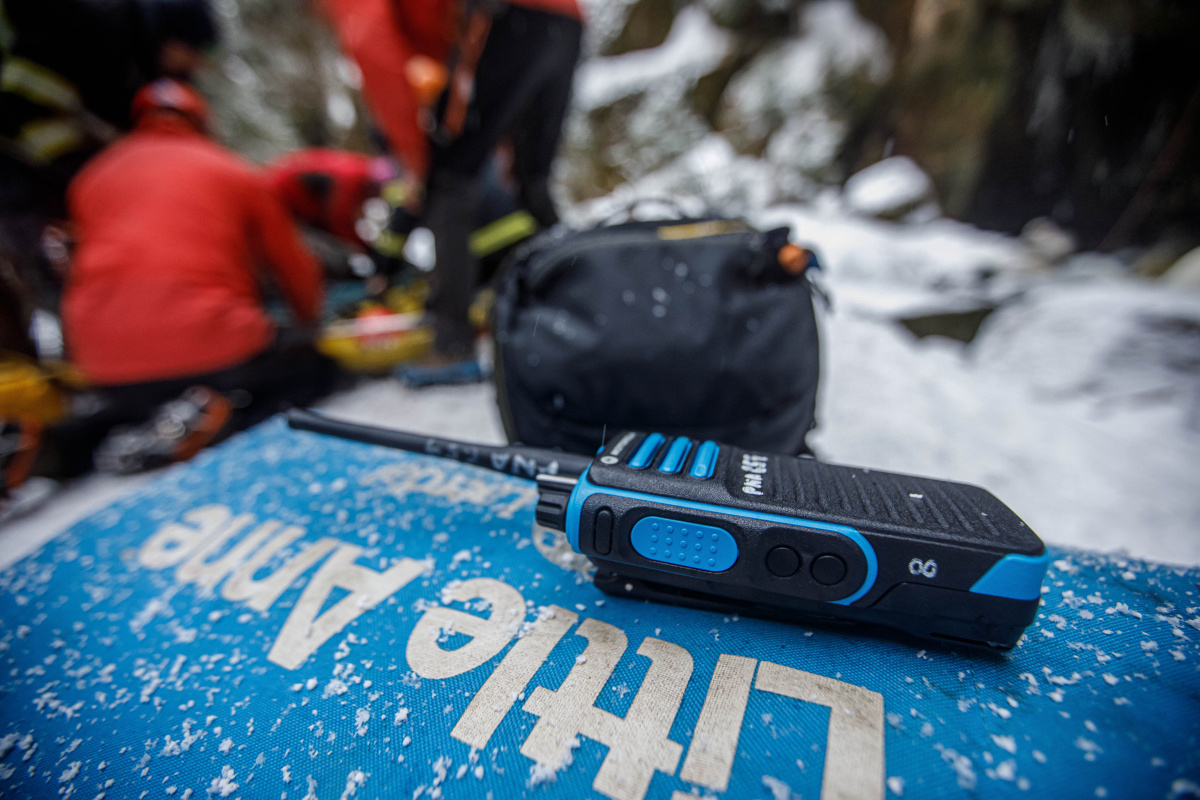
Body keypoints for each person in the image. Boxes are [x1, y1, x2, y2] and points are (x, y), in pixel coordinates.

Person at [50, 78, 334, 476]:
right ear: (201, 120)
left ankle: (107, 432)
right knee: (314, 370)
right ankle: (212, 416)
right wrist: (308, 326)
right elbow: (294, 266)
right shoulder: (229, 168)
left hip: (103, 366)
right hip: (210, 347)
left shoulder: (90, 179)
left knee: (132, 400)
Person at [320, 0, 583, 385]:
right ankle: (581, 302)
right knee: (530, 178)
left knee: (446, 178)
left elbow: (371, 44)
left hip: (502, 13)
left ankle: (451, 344)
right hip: (566, 19)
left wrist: (414, 162)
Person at [0, 0, 219, 353]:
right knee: (51, 250)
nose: (197, 63)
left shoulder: (146, 61)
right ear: (172, 36)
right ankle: (80, 348)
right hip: (25, 147)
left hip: (70, 155)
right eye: (193, 51)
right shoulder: (93, 29)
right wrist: (105, 181)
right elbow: (30, 107)